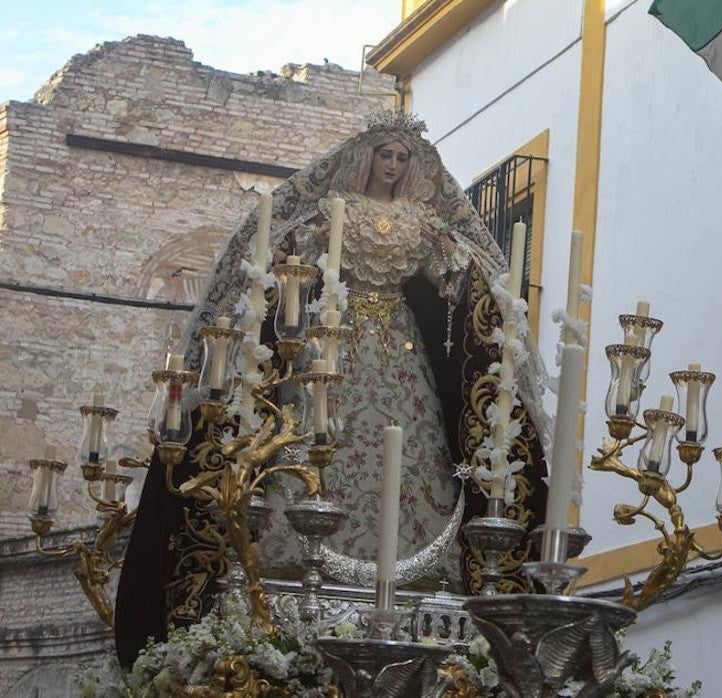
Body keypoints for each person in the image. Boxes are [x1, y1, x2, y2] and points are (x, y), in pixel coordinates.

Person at [114, 112, 550, 666]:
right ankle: (291, 563)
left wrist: (465, 271)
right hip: (332, 343)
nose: (392, 166)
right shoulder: (328, 213)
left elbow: (450, 275)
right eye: (385, 155)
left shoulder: (422, 220)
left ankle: (413, 574)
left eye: (402, 158)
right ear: (365, 157)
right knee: (321, 435)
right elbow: (292, 254)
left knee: (414, 454)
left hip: (400, 347)